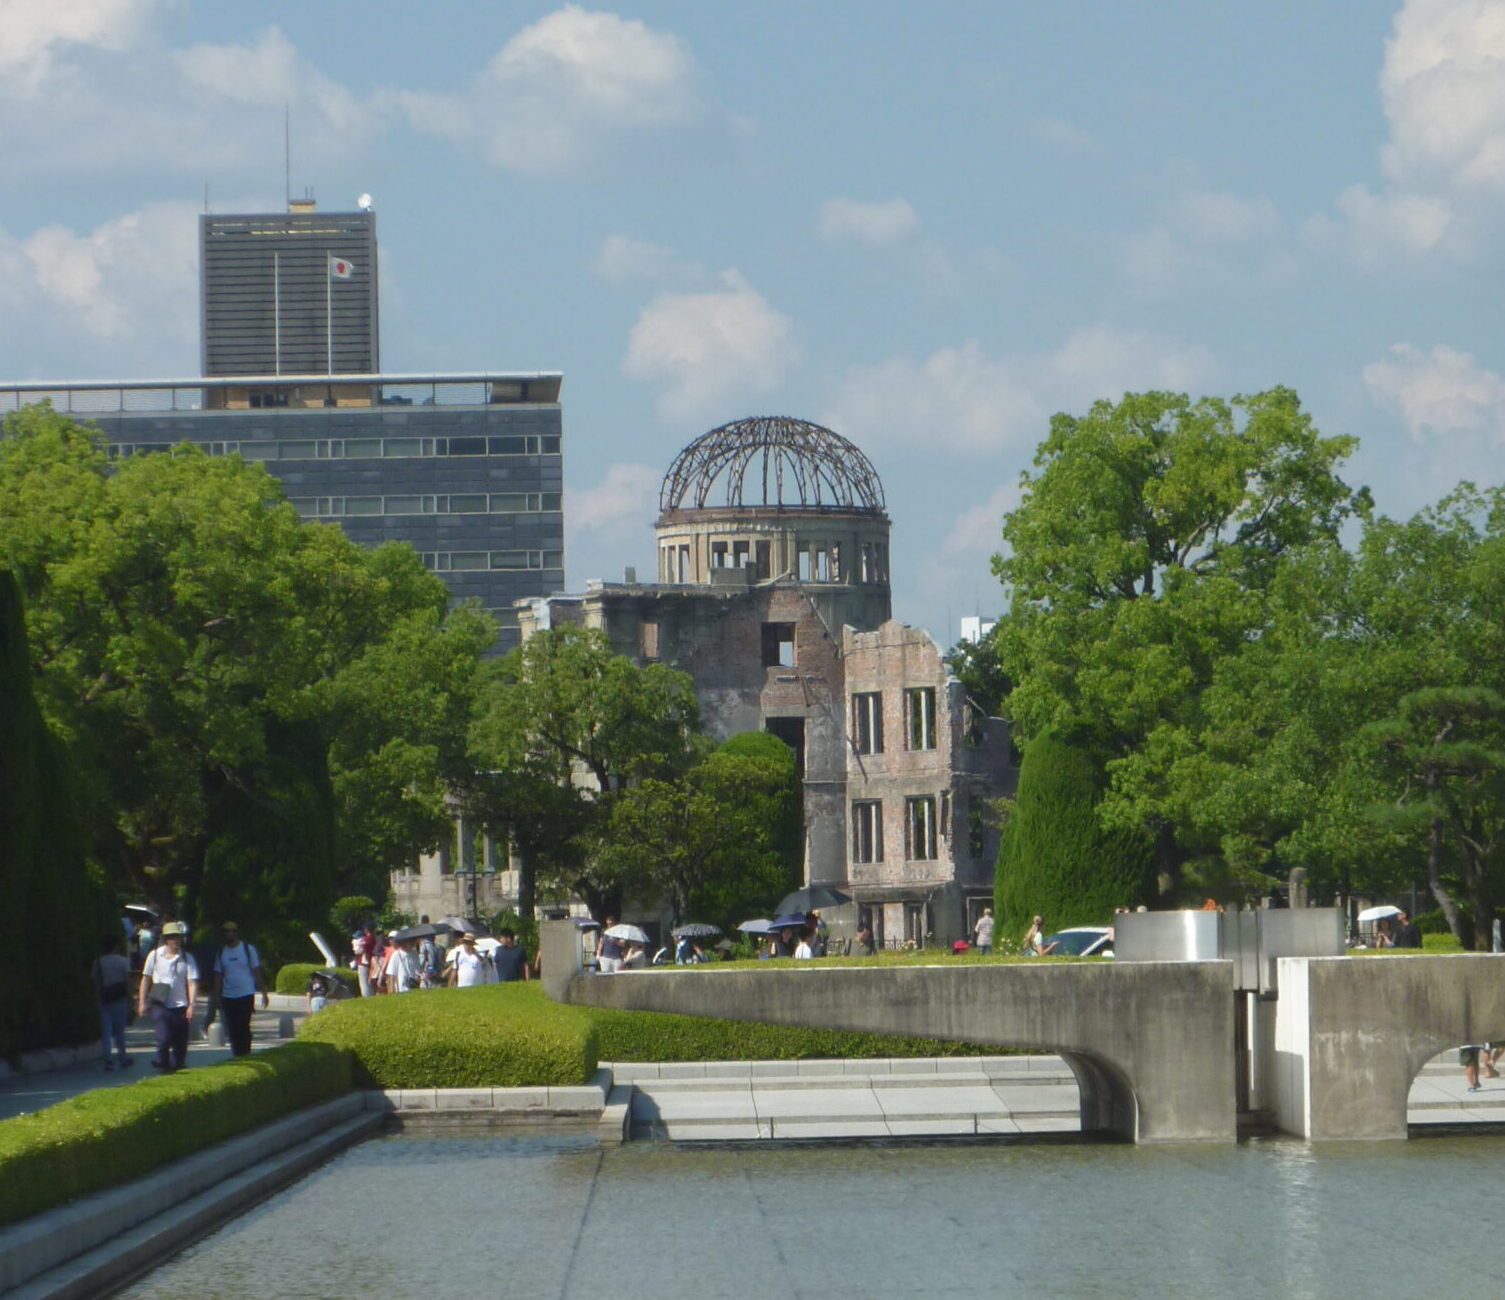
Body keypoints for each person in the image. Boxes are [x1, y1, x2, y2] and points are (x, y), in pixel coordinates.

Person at [138, 920, 198, 1072]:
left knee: (180, 1043)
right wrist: (142, 1002)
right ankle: (162, 1062)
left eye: (178, 937)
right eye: (172, 937)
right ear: (165, 939)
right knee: (163, 1038)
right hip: (160, 1003)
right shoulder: (155, 955)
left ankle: (176, 1066)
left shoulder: (187, 958)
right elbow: (145, 978)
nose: (176, 940)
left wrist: (192, 1005)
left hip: (180, 1005)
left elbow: (192, 982)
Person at [212, 922, 268, 1057]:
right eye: (227, 931)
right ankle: (237, 1054)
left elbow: (256, 972)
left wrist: (264, 993)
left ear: (237, 933)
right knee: (232, 1028)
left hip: (246, 994)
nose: (230, 934)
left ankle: (245, 1053)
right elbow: (218, 975)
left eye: (233, 931)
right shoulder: (221, 952)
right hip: (228, 995)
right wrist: (216, 996)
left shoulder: (248, 949)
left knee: (243, 1025)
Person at [93, 935, 134, 1071]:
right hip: (119, 998)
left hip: (104, 998)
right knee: (120, 1031)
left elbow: (96, 982)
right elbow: (127, 981)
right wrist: (131, 998)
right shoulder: (123, 961)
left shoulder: (98, 962)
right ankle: (123, 1057)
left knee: (106, 1031)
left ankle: (108, 1059)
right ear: (116, 947)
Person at [355, 924, 377, 997]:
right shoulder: (374, 938)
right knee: (369, 982)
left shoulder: (367, 939)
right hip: (371, 962)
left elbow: (359, 951)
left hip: (364, 963)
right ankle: (371, 995)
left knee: (364, 982)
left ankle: (367, 996)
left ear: (366, 930)